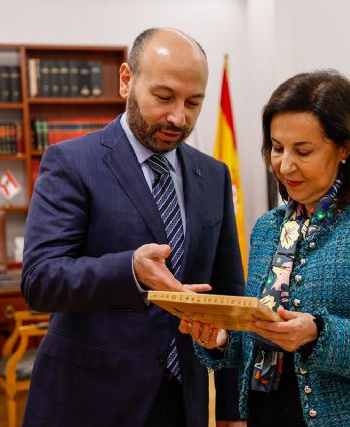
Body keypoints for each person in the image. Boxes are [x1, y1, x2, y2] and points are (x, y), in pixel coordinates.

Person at [20, 28, 245, 427]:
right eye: (164, 97)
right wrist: (131, 272)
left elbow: (230, 297)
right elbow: (40, 279)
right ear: (127, 80)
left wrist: (231, 411)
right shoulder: (71, 162)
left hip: (183, 403)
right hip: (89, 402)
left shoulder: (213, 175)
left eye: (194, 102)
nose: (179, 117)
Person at [181, 70, 350, 426]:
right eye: (277, 148)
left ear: (344, 148)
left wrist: (318, 334)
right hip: (265, 415)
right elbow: (258, 335)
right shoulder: (268, 228)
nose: (285, 165)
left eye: (303, 151)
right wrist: (222, 340)